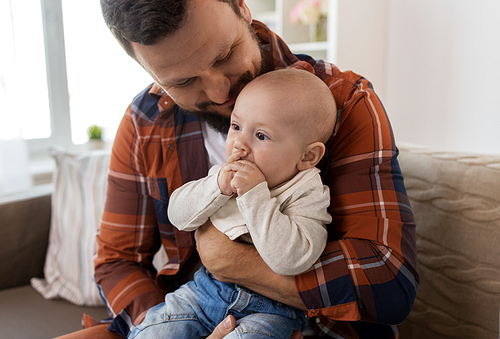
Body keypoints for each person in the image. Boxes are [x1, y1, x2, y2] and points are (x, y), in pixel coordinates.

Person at [60, 0, 419, 338]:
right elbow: (116, 262)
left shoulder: (342, 101)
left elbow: (388, 283)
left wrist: (234, 261)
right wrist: (167, 324)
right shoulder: (145, 121)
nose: (219, 93)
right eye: (183, 82)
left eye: (225, 54)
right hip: (186, 310)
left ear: (242, 7)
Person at [128, 69, 335, 338]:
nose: (239, 144)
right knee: (154, 331)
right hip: (205, 292)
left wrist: (255, 195)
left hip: (271, 310)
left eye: (261, 136)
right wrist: (216, 187)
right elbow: (178, 215)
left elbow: (292, 260)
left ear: (307, 156)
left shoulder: (307, 192)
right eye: (236, 127)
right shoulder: (225, 174)